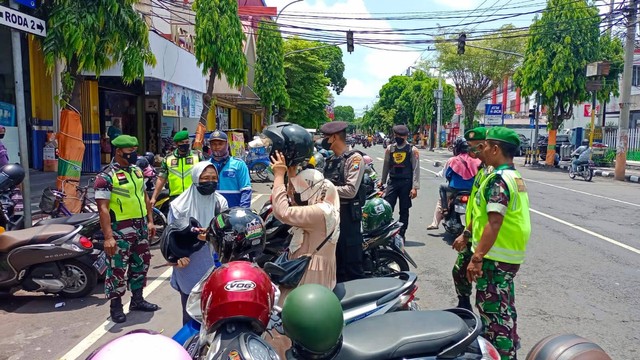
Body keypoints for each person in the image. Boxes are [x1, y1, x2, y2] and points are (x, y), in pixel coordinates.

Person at [466, 127, 531, 360]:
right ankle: (509, 350)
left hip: (496, 257)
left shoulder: (499, 180)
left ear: (496, 149)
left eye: (485, 146)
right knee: (505, 308)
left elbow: (494, 222)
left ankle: (502, 355)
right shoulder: (514, 176)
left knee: (493, 315)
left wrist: (477, 258)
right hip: (509, 255)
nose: (482, 150)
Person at [269, 152, 340, 359]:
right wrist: (292, 175)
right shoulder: (327, 204)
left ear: (313, 190)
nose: (296, 195)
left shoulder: (318, 213)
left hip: (308, 274)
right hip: (315, 269)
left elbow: (283, 212)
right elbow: (298, 197)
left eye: (300, 189)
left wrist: (279, 176)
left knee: (292, 322)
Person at [94, 135, 159, 324]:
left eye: (135, 150)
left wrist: (150, 221)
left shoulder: (137, 171)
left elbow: (144, 196)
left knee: (141, 264)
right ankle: (116, 306)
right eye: (130, 151)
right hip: (119, 229)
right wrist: (108, 237)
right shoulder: (105, 177)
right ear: (119, 151)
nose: (133, 154)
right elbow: (103, 208)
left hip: (140, 227)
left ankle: (137, 300)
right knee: (117, 269)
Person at [168, 162, 228, 325]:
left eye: (214, 178)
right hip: (190, 264)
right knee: (191, 311)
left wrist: (211, 236)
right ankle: (191, 346)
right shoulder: (179, 206)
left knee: (216, 308)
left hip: (215, 260)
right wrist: (176, 259)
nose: (210, 181)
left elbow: (225, 232)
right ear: (195, 179)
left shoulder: (220, 202)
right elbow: (170, 239)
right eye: (205, 178)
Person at [451, 127, 491, 311]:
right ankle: (464, 306)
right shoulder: (482, 170)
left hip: (489, 243)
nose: (472, 152)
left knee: (491, 302)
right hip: (474, 235)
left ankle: (500, 338)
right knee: (459, 270)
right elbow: (478, 208)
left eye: (475, 148)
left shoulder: (494, 175)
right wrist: (466, 233)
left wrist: (478, 256)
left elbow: (493, 219)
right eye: (469, 148)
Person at [320, 121, 365, 282]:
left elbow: (351, 190)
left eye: (325, 137)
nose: (322, 140)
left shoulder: (354, 159)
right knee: (335, 266)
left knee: (351, 267)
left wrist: (323, 191)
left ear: (334, 137)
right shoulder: (330, 160)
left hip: (348, 219)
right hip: (331, 217)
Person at [427, 137, 480, 230]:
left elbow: (447, 174)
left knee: (442, 188)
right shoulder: (477, 160)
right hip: (471, 189)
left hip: (455, 189)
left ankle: (442, 212)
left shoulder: (453, 160)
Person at [379, 124, 420, 239]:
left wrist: (415, 187)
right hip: (392, 182)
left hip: (406, 184)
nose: (399, 137)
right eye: (397, 135)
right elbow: (386, 165)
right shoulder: (390, 149)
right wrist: (382, 181)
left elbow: (415, 169)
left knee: (404, 210)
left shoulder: (412, 150)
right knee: (387, 208)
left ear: (406, 136)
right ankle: (385, 233)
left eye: (401, 136)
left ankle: (401, 234)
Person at [151, 130, 203, 207]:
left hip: (194, 195)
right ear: (176, 144)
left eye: (187, 142)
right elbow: (161, 179)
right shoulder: (168, 158)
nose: (185, 144)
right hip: (175, 197)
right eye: (182, 142)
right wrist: (154, 197)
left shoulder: (197, 156)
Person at [208, 130, 252, 208]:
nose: (217, 147)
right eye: (213, 144)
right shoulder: (206, 165)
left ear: (227, 144)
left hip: (233, 212)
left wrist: (243, 211)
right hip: (211, 211)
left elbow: (246, 190)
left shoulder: (239, 164)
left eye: (220, 144)